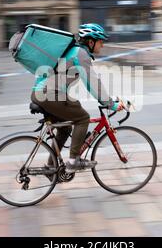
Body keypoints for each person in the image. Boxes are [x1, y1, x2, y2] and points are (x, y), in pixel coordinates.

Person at [31, 23, 124, 173]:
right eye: (100, 42)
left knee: (66, 128)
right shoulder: (80, 54)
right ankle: (74, 161)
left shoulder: (73, 51)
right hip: (48, 94)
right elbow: (92, 83)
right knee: (82, 118)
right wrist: (111, 104)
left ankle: (51, 167)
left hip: (41, 93)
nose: (102, 45)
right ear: (91, 42)